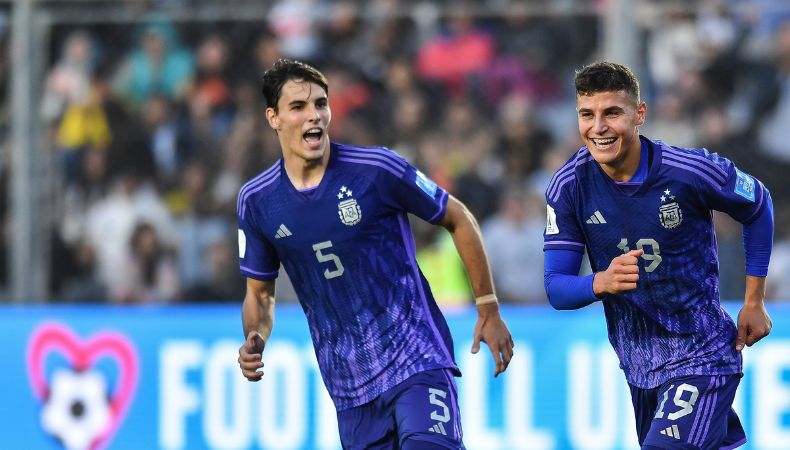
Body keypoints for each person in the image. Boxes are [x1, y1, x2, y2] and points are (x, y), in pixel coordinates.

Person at [236, 58, 514, 449]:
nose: (314, 115)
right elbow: (259, 294)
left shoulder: (376, 168)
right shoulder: (258, 201)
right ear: (274, 118)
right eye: (298, 107)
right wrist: (255, 335)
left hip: (416, 358)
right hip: (350, 388)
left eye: (321, 103)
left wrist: (487, 306)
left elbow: (458, 217)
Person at [543, 61, 773, 449]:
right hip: (640, 365)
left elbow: (758, 204)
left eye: (612, 113)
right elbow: (556, 288)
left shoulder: (690, 171)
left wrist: (754, 301)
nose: (598, 127)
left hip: (703, 353)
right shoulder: (569, 186)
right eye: (587, 115)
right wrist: (600, 282)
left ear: (639, 114)